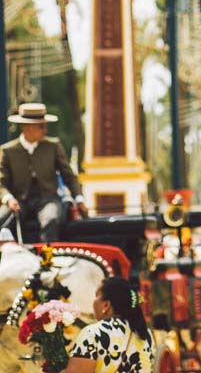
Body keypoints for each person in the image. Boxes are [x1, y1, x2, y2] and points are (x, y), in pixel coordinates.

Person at [0, 102, 86, 242]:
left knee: (51, 219)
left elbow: (68, 176)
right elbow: (1, 182)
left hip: (47, 199)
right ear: (27, 128)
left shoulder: (53, 146)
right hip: (19, 200)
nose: (45, 130)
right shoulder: (8, 150)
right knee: (2, 218)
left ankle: (47, 259)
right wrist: (8, 198)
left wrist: (79, 198)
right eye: (41, 126)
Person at [65, 276, 153, 373]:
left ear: (106, 305)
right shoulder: (145, 334)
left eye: (96, 296)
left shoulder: (93, 334)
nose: (94, 301)